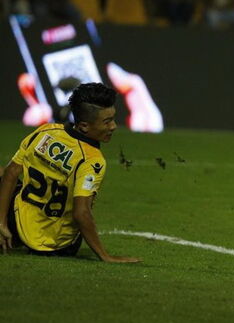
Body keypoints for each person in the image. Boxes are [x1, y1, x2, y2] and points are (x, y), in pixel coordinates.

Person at [0, 83, 140, 263]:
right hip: (55, 246)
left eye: (113, 119)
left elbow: (11, 173)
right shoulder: (92, 160)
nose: (113, 126)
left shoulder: (45, 131)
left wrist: (2, 223)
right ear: (84, 126)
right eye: (107, 121)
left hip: (18, 222)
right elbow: (81, 213)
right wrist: (105, 256)